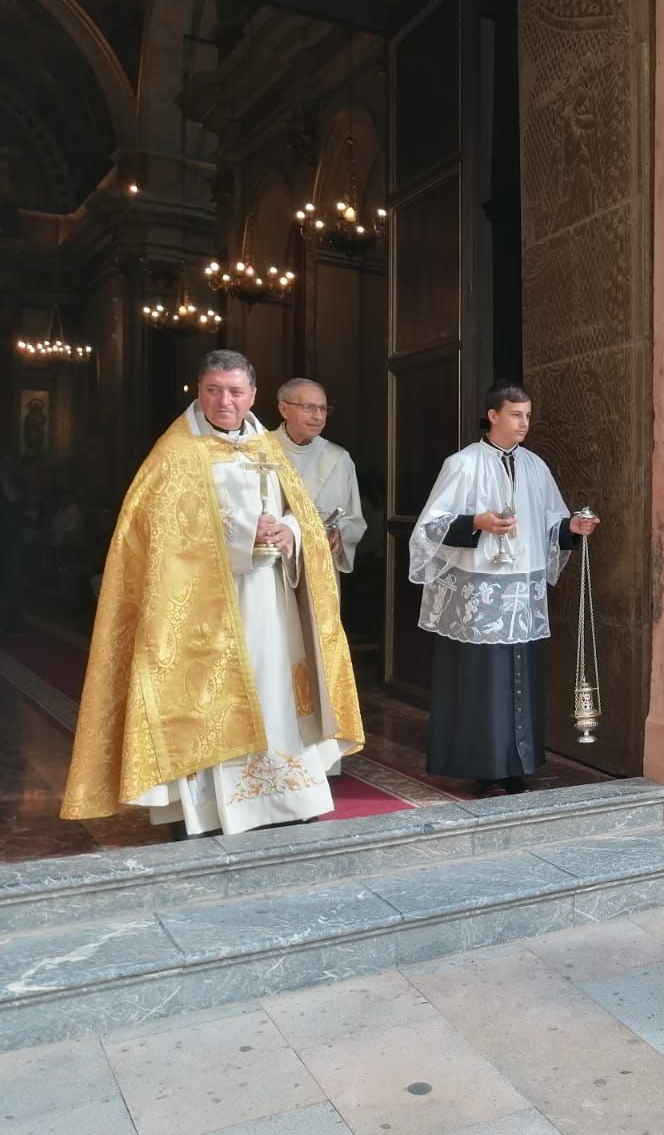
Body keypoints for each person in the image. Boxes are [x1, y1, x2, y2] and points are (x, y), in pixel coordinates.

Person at [60, 349, 363, 835]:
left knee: (276, 692)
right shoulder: (175, 453)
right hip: (203, 610)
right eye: (214, 390)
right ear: (198, 392)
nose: (225, 401)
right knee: (208, 698)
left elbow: (300, 512)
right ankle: (207, 810)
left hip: (269, 598)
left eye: (236, 391)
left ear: (254, 396)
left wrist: (290, 531)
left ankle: (286, 798)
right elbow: (158, 534)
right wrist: (245, 531)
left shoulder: (267, 447)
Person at [409, 381, 598, 797]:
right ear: (493, 416)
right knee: (484, 684)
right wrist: (477, 522)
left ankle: (518, 764)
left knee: (522, 677)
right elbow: (429, 528)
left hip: (522, 591)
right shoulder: (462, 463)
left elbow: (552, 521)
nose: (524, 423)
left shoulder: (535, 466)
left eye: (528, 415)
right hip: (481, 593)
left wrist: (572, 528)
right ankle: (485, 768)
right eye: (516, 415)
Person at [274, 378, 367, 574]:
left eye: (323, 409)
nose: (318, 416)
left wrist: (340, 531)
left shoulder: (338, 459)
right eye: (309, 407)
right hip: (273, 563)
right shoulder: (260, 450)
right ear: (284, 409)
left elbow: (355, 519)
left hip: (319, 565)